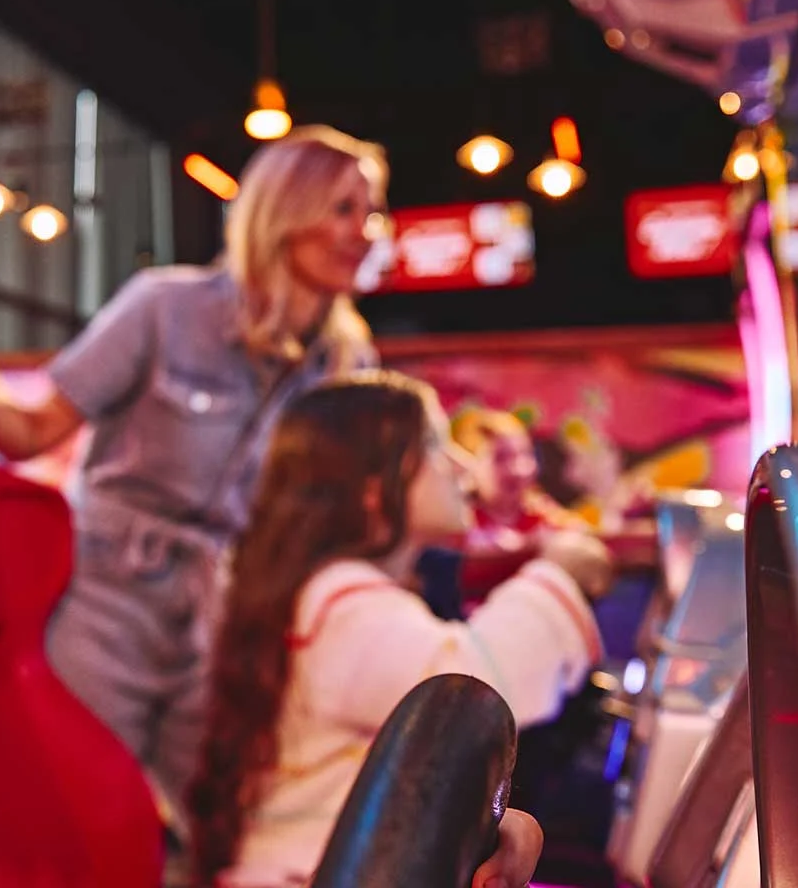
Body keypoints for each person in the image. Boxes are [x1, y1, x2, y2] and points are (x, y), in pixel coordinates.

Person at [0, 125, 388, 811]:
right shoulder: (164, 306)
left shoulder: (346, 362)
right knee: (74, 797)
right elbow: (30, 434)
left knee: (198, 820)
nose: (366, 231)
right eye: (344, 208)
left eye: (372, 210)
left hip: (224, 609)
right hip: (107, 591)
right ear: (283, 210)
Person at [188, 371, 613, 888]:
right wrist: (563, 571)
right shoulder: (339, 603)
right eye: (434, 446)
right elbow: (468, 693)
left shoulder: (317, 595)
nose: (460, 465)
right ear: (373, 490)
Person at [452, 408, 585, 554]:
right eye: (501, 458)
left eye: (525, 454)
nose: (518, 469)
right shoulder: (458, 525)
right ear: (470, 465)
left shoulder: (546, 519)